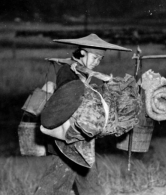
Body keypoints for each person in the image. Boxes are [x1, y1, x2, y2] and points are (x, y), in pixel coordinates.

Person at [34, 34, 132, 195]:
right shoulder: (67, 70)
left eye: (99, 59)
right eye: (94, 57)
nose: (96, 62)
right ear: (82, 53)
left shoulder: (81, 71)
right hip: (68, 133)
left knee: (84, 172)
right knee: (61, 176)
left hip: (77, 135)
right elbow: (67, 100)